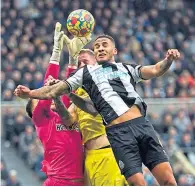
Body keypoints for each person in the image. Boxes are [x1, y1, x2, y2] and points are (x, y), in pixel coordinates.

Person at [14, 34, 180, 186]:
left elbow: (156, 69)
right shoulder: (82, 83)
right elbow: (65, 106)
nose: (82, 65)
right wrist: (32, 93)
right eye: (97, 46)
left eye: (85, 61)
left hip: (128, 133)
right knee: (138, 183)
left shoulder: (125, 69)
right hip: (105, 148)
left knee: (168, 180)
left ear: (112, 51)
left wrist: (168, 60)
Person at [23, 22, 91, 186]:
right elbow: (49, 89)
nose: (42, 99)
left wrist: (73, 58)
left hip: (80, 182)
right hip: (58, 182)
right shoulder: (42, 122)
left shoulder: (63, 113)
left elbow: (68, 87)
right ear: (35, 112)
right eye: (37, 100)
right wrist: (56, 52)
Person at [57, 42, 127, 185]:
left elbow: (93, 108)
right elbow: (68, 120)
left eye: (85, 62)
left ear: (95, 64)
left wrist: (66, 91)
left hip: (107, 154)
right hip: (89, 157)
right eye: (79, 64)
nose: (81, 66)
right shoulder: (78, 94)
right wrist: (55, 97)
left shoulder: (105, 84)